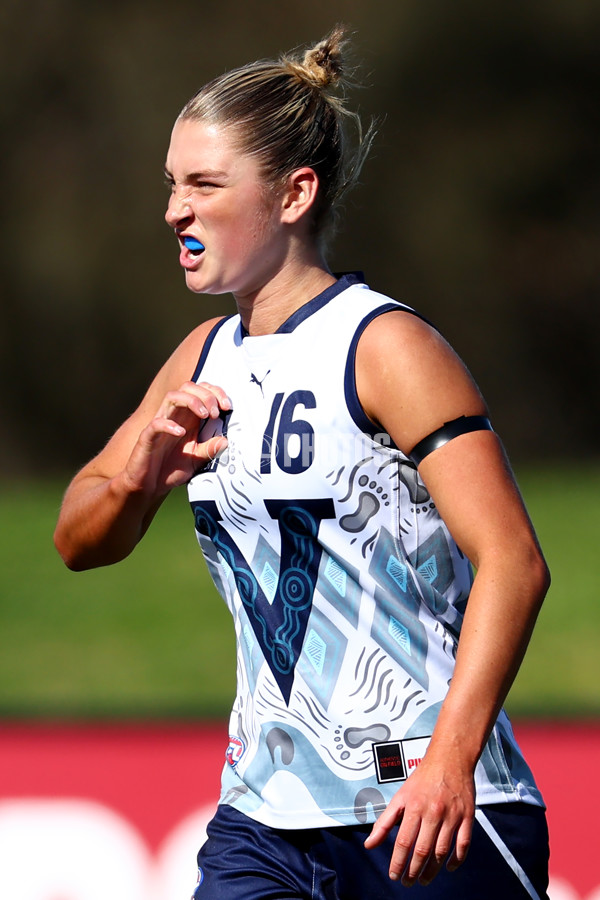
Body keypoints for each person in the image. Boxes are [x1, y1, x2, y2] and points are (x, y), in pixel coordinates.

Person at [54, 26, 551, 899]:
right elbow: (77, 537)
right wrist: (142, 476)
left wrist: (450, 760)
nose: (175, 210)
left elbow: (513, 560)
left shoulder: (386, 346)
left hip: (420, 813)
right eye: (172, 185)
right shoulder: (203, 357)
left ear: (294, 194)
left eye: (204, 185)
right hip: (263, 820)